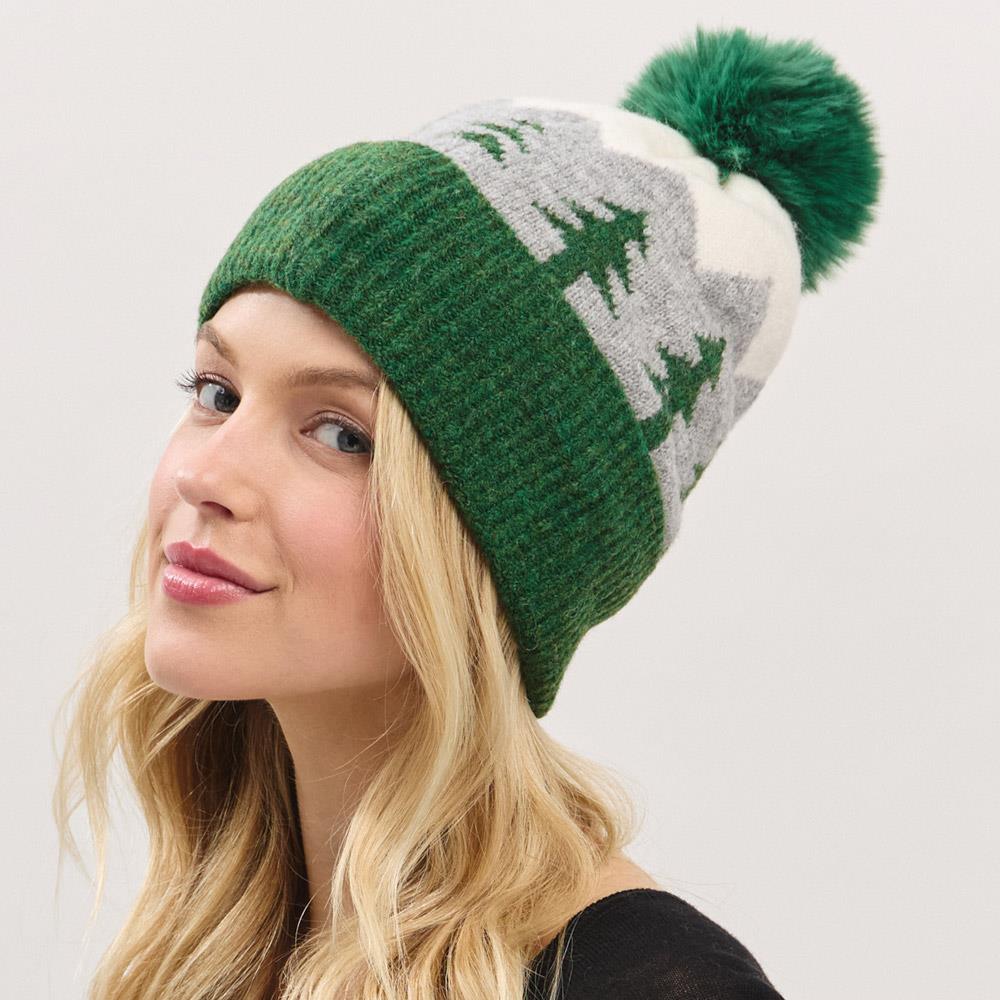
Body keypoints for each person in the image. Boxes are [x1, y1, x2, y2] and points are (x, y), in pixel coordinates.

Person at [53, 24, 881, 1000]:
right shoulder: (240, 940)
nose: (207, 473)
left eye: (341, 434)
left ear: (507, 546)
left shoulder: (644, 986)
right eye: (217, 391)